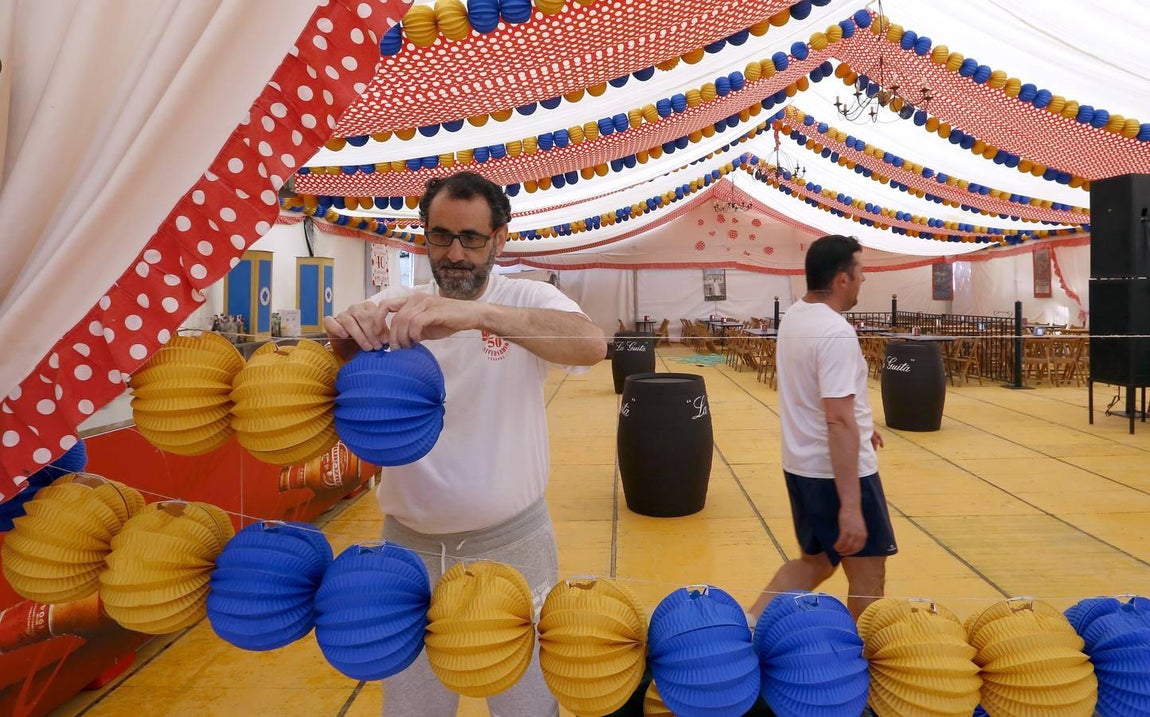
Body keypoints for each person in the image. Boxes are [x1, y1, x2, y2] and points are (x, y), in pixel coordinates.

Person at [323, 171, 607, 717]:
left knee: (524, 703)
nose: (454, 253)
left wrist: (475, 315)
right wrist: (344, 338)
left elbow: (591, 345)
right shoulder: (397, 304)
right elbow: (347, 366)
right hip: (409, 550)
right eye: (440, 236)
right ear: (423, 234)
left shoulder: (525, 298)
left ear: (500, 238)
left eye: (472, 238)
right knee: (412, 705)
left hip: (513, 546)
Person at [748, 234, 897, 622]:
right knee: (869, 576)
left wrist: (863, 426)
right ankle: (863, 662)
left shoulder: (796, 317)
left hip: (802, 466)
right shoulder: (835, 332)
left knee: (814, 563)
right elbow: (837, 418)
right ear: (842, 279)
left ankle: (746, 628)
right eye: (860, 271)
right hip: (839, 475)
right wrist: (850, 506)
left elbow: (832, 404)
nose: (864, 279)